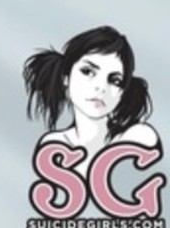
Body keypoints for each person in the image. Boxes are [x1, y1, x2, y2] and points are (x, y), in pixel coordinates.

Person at [24, 26, 159, 178]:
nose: (101, 88)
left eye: (115, 81)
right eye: (88, 71)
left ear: (123, 92)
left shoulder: (139, 137)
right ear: (66, 78)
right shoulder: (54, 145)